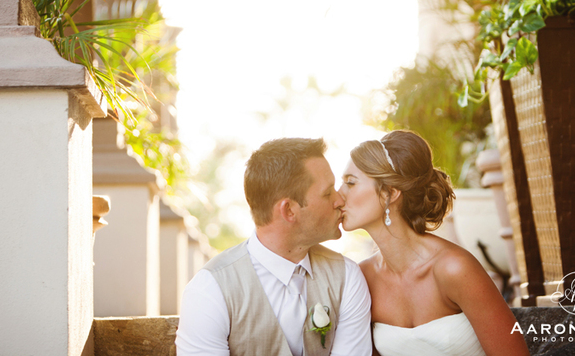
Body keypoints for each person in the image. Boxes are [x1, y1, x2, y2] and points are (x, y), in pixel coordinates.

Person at [338, 130, 529, 356]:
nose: (338, 195)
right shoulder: (363, 278)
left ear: (390, 193)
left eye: (350, 183)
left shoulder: (454, 269)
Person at [176, 137, 372, 356]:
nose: (340, 200)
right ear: (289, 210)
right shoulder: (210, 290)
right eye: (327, 193)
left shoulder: (347, 277)